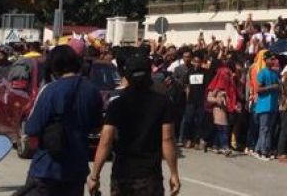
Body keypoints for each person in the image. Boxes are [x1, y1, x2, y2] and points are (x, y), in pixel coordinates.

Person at [88, 57, 180, 196]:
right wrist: (174, 173)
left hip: (123, 174)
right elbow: (167, 139)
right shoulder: (163, 103)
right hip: (150, 175)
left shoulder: (117, 104)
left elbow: (106, 140)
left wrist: (95, 175)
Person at [24, 44, 104, 196]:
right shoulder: (92, 91)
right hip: (77, 170)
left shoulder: (49, 90)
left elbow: (32, 128)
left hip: (47, 169)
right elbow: (96, 126)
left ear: (54, 67)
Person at [253, 52, 280, 159]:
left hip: (273, 104)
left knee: (269, 128)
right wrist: (272, 87)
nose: (273, 61)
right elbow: (258, 89)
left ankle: (261, 149)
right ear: (265, 60)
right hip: (264, 105)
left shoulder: (274, 73)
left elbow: (278, 86)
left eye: (274, 59)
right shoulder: (262, 73)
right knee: (264, 128)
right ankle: (263, 151)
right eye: (271, 59)